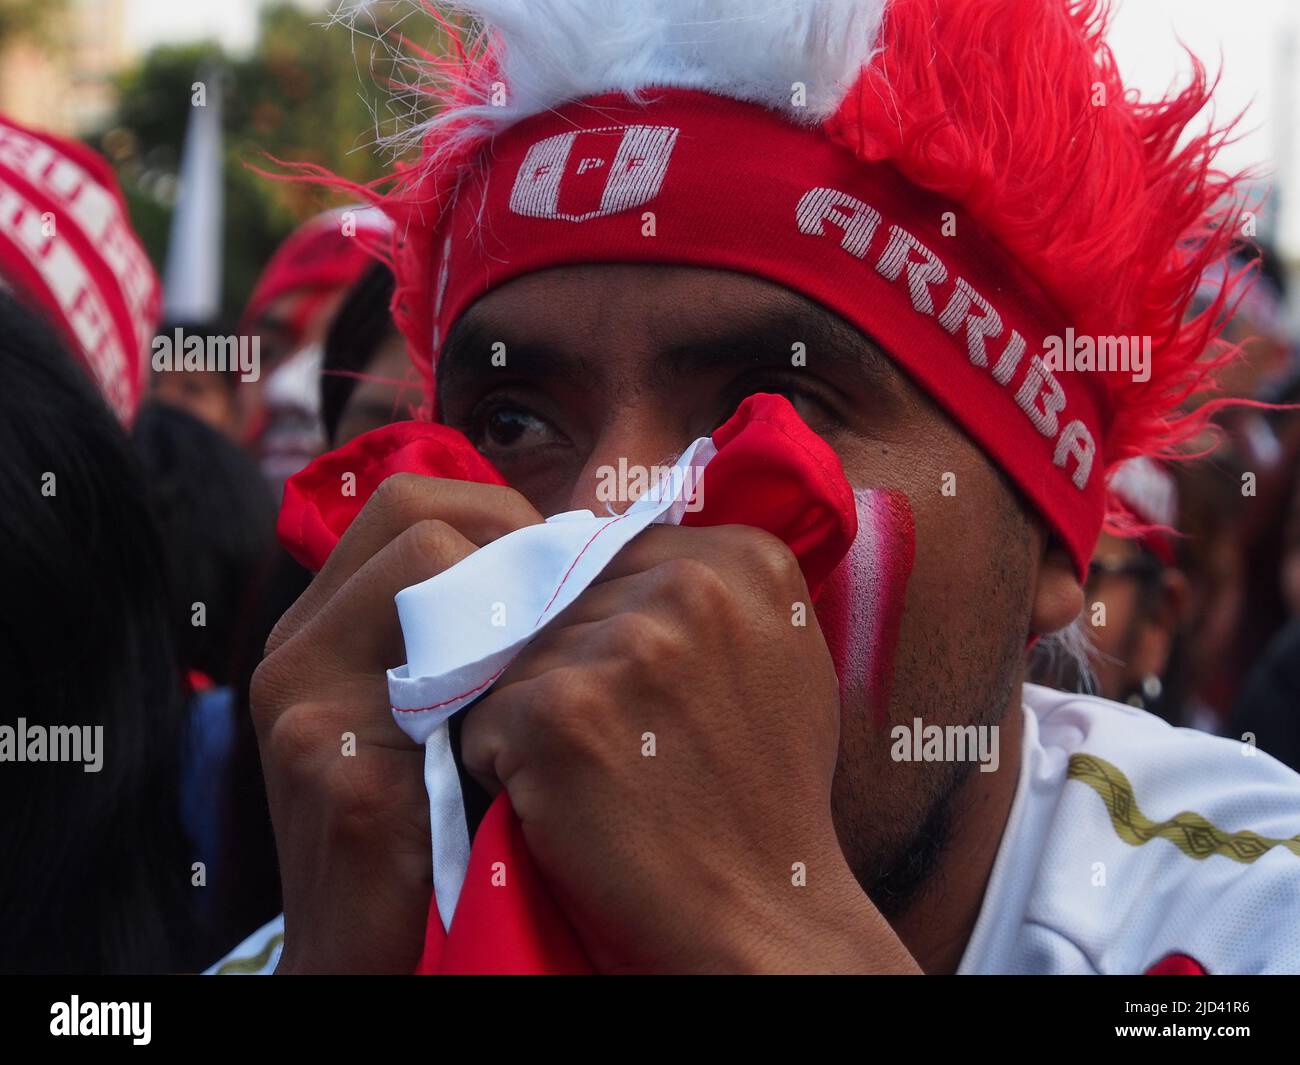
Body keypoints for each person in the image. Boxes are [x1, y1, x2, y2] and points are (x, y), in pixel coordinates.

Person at [221, 0, 1300, 974]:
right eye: (514, 423)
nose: (601, 512)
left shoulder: (1251, 920)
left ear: (1052, 550)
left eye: (779, 404)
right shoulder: (315, 954)